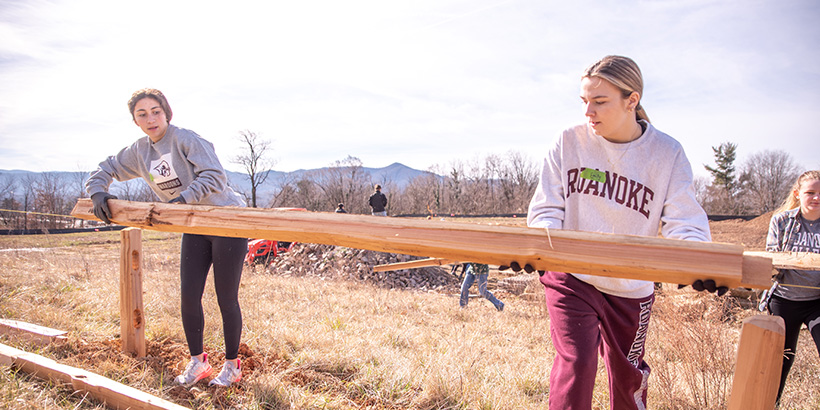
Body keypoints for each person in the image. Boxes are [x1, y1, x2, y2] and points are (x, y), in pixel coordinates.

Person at [524, 55, 717, 410]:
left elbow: (684, 220)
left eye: (599, 102)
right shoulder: (568, 142)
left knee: (628, 376)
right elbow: (547, 208)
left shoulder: (666, 153)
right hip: (573, 276)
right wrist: (540, 248)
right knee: (577, 364)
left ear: (633, 100)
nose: (588, 112)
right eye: (584, 101)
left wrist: (698, 262)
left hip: (631, 285)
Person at [86, 88, 247, 388]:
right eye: (142, 114)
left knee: (226, 298)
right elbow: (106, 166)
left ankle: (232, 366)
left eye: (156, 111)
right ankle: (199, 363)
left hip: (226, 221)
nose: (151, 119)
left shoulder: (185, 139)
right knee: (189, 297)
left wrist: (182, 200)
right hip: (193, 224)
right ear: (135, 121)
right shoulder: (139, 152)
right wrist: (97, 190)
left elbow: (215, 176)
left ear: (166, 112)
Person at [765, 170, 820, 405]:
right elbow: (770, 261)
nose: (816, 198)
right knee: (781, 361)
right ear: (798, 194)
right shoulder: (781, 221)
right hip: (785, 301)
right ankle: (770, 405)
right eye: (811, 193)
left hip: (817, 301)